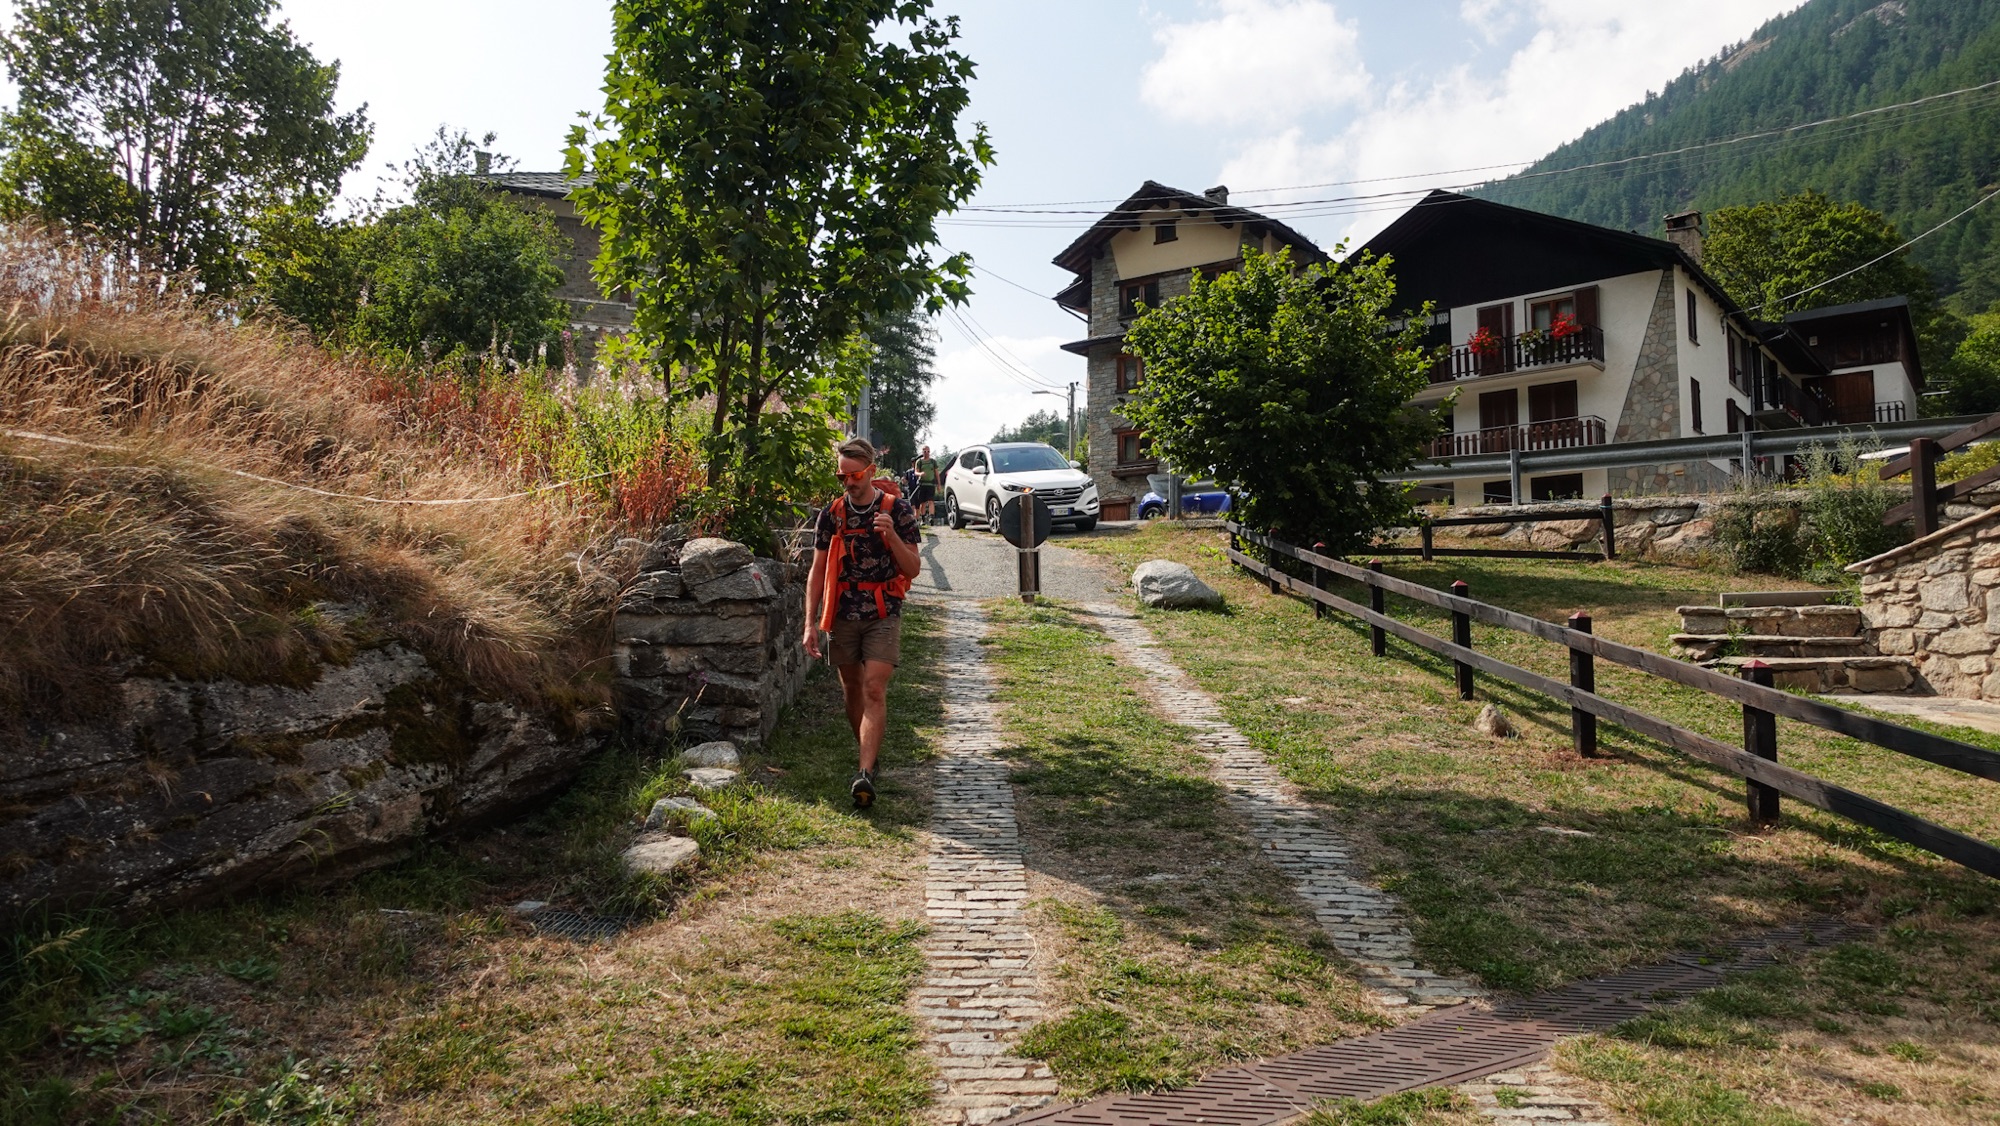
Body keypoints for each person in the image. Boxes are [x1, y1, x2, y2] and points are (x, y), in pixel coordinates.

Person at [802, 438, 923, 808]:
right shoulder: (832, 514)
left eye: (854, 475)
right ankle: (868, 758)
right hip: (841, 613)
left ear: (870, 471)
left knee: (873, 688)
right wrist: (809, 623)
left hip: (883, 611)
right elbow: (817, 571)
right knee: (852, 689)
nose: (848, 482)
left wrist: (890, 535)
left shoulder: (898, 511)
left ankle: (865, 773)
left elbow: (913, 568)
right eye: (842, 476)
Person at [914, 444, 940, 525]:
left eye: (928, 451)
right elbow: (915, 472)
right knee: (923, 503)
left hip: (931, 484)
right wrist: (920, 473)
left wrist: (939, 484)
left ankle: (931, 517)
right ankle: (923, 518)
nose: (926, 453)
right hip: (922, 484)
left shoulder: (933, 462)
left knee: (931, 501)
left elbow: (936, 473)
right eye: (924, 451)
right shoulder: (919, 462)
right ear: (922, 452)